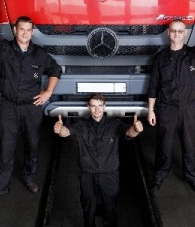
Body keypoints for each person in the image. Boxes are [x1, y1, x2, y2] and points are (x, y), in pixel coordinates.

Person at [0, 15, 62, 202]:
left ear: (32, 32)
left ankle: (29, 178)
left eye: (28, 30)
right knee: (6, 146)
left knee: (32, 145)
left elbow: (56, 70)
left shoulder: (40, 54)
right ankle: (1, 187)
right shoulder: (4, 49)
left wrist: (48, 92)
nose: (24, 33)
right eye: (21, 29)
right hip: (9, 107)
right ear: (15, 30)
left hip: (32, 108)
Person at [147, 19, 195, 192]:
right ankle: (160, 175)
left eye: (180, 31)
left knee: (189, 144)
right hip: (166, 108)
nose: (177, 34)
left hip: (187, 108)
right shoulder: (160, 58)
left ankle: (192, 177)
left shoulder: (193, 54)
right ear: (168, 33)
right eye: (173, 31)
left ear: (185, 33)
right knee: (164, 144)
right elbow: (153, 86)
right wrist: (150, 111)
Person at [53, 93, 143, 227]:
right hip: (88, 174)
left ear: (104, 106)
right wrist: (60, 130)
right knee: (88, 207)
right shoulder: (81, 125)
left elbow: (128, 132)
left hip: (109, 174)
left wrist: (136, 129)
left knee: (110, 208)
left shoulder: (114, 124)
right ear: (88, 107)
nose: (97, 109)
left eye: (100, 106)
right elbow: (68, 132)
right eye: (94, 106)